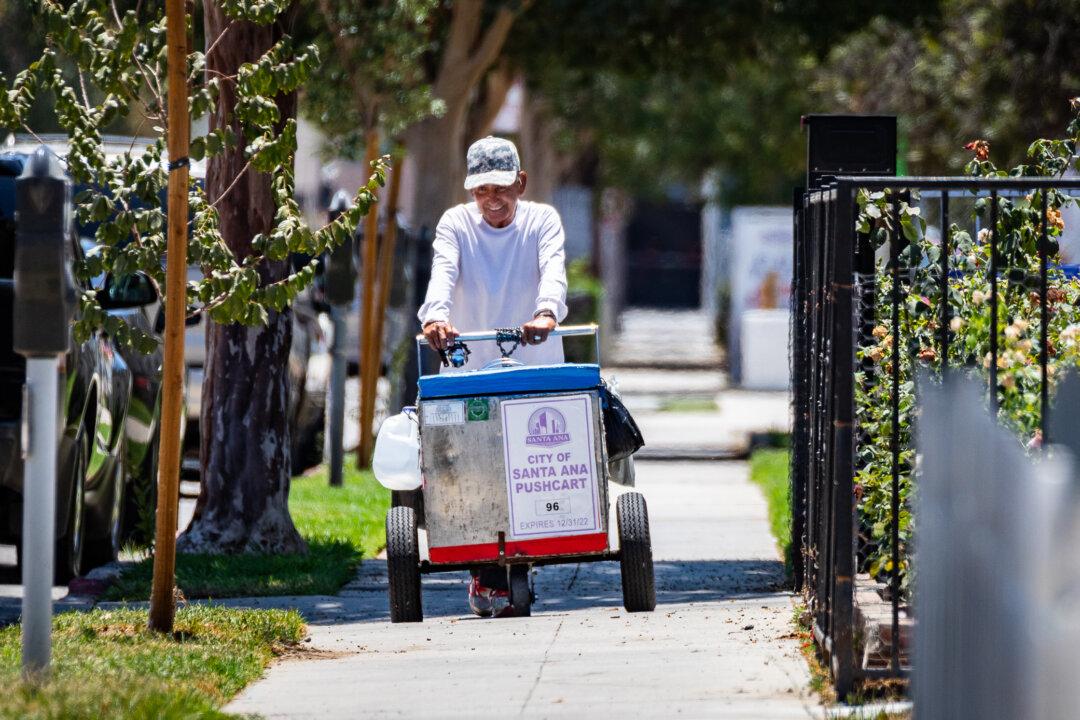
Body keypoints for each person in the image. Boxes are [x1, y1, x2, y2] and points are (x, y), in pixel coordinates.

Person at [418, 136, 568, 617]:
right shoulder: (455, 224)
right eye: (481, 190)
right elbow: (442, 272)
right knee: (469, 471)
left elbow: (553, 271)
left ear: (520, 183)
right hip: (470, 367)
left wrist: (546, 313)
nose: (492, 200)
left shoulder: (542, 220)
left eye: (501, 188)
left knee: (534, 469)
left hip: (533, 367)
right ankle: (484, 568)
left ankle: (525, 550)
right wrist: (435, 318)